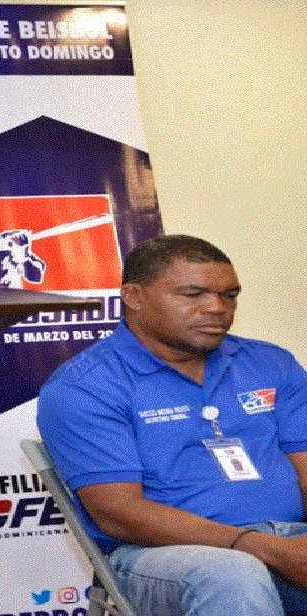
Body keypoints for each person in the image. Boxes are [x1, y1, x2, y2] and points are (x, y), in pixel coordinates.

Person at [37, 234, 307, 616]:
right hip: (167, 558)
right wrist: (261, 546)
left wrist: (286, 547)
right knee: (234, 574)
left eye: (229, 296)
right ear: (133, 297)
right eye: (192, 294)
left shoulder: (269, 363)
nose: (216, 308)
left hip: (290, 537)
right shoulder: (85, 386)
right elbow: (118, 513)